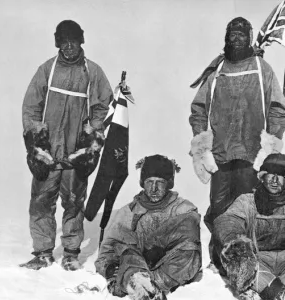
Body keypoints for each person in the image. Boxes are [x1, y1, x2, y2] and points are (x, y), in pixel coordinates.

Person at [189, 17, 285, 267]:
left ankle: (246, 259)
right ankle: (219, 258)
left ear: (250, 37)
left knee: (247, 208)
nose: (237, 38)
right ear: (226, 37)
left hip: (251, 155)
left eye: (242, 34)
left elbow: (277, 108)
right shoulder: (218, 70)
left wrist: (271, 146)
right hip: (221, 154)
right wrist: (202, 144)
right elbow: (199, 108)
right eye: (232, 34)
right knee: (219, 208)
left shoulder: (261, 68)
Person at [20, 20, 113, 271]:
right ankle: (42, 252)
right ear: (58, 43)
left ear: (81, 42)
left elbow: (103, 106)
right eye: (64, 41)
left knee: (73, 201)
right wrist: (37, 143)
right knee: (41, 201)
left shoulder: (92, 72)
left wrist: (90, 137)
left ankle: (71, 252)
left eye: (73, 41)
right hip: (48, 152)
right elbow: (31, 107)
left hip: (75, 152)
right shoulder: (47, 70)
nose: (69, 47)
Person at [95, 154, 202, 300]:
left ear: (169, 183)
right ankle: (141, 286)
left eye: (160, 182)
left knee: (188, 241)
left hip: (169, 269)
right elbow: (108, 249)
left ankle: (148, 286)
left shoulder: (183, 209)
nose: (154, 188)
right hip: (137, 266)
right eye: (149, 181)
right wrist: (108, 268)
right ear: (142, 183)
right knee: (126, 250)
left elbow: (190, 251)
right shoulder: (129, 212)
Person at [213, 153, 285, 300]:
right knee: (236, 252)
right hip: (256, 264)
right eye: (271, 174)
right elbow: (228, 220)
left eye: (281, 175)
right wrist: (233, 239)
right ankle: (265, 290)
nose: (275, 180)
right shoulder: (247, 201)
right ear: (262, 177)